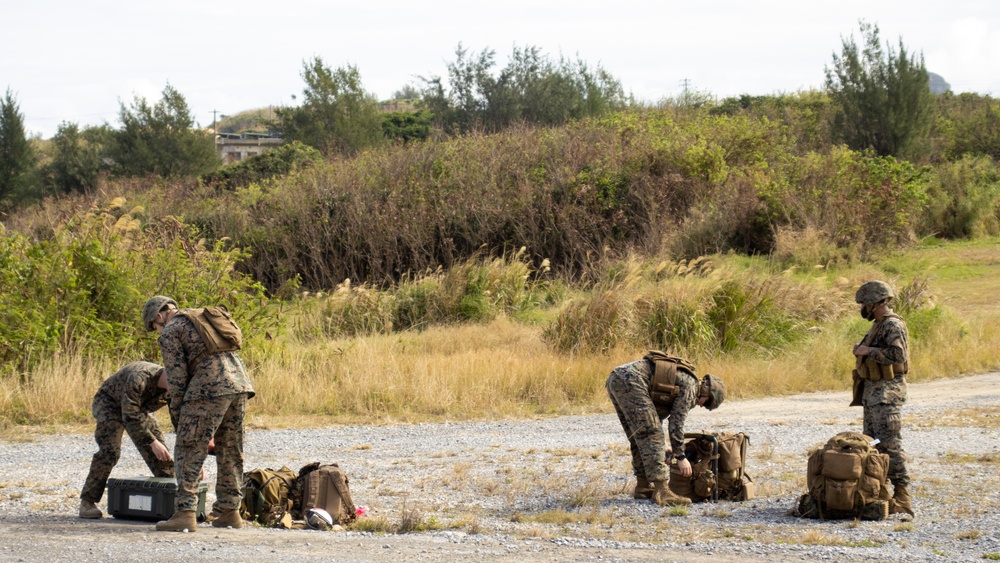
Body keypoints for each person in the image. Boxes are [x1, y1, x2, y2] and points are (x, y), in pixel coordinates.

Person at [141, 295, 255, 531]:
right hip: (239, 384)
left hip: (208, 388)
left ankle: (185, 514)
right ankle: (229, 511)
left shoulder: (171, 329)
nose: (157, 330)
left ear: (159, 316)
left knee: (188, 448)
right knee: (230, 449)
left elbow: (176, 377)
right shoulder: (199, 317)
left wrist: (178, 413)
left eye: (154, 326)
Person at [606, 354, 726, 506]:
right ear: (707, 391)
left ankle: (643, 486)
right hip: (631, 380)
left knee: (639, 435)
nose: (702, 406)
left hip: (617, 378)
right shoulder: (692, 388)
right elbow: (676, 422)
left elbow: (654, 415)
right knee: (651, 434)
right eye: (707, 403)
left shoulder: (686, 381)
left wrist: (664, 445)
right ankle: (662, 491)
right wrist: (680, 456)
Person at [79, 361, 173, 519]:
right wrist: (152, 441)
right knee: (110, 451)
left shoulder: (174, 388)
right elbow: (129, 417)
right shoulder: (139, 378)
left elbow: (179, 419)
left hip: (139, 409)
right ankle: (87, 502)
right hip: (110, 404)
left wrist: (190, 453)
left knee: (161, 452)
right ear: (170, 375)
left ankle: (173, 499)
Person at [851, 280, 914, 517]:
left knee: (890, 445)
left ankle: (902, 495)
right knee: (873, 445)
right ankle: (881, 492)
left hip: (887, 396)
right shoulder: (878, 326)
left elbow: (898, 354)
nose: (862, 309)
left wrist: (869, 351)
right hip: (874, 396)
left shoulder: (892, 325)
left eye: (864, 304)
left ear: (874, 303)